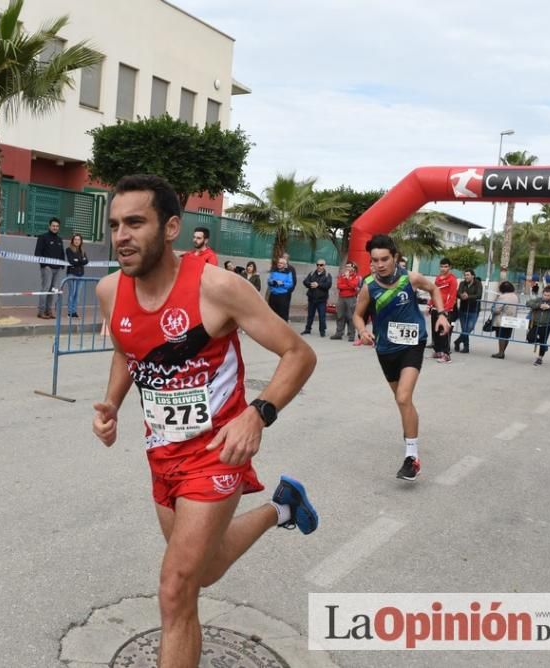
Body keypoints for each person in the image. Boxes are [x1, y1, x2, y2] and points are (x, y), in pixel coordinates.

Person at [92, 174, 318, 667]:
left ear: (171, 226)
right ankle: (281, 508)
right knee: (204, 570)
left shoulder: (217, 288)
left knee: (175, 588)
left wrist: (257, 415)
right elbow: (127, 350)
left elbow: (299, 354)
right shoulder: (110, 291)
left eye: (135, 222)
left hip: (218, 452)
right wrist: (112, 404)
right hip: (162, 452)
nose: (121, 236)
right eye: (114, 225)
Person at [352, 234, 451, 482]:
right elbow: (357, 315)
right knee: (401, 401)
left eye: (385, 259)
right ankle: (410, 436)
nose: (380, 264)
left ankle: (412, 457)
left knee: (403, 396)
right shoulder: (369, 286)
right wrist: (363, 330)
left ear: (395, 257)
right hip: (385, 349)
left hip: (412, 344)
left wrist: (441, 314)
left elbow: (434, 289)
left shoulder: (410, 278)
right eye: (375, 260)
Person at [526, 285, 550, 366]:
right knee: (530, 338)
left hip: (546, 325)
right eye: (545, 295)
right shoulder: (538, 300)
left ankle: (540, 358)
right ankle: (543, 344)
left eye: (548, 295)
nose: (546, 297)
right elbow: (528, 303)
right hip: (535, 324)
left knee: (543, 342)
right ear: (542, 294)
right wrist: (539, 305)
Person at [35, 217, 66, 319]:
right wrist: (45, 265)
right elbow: (37, 253)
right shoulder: (43, 237)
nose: (55, 228)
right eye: (53, 226)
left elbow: (62, 253)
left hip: (57, 269)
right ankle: (41, 311)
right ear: (49, 226)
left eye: (57, 226)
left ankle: (49, 310)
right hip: (47, 268)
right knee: (45, 288)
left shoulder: (59, 240)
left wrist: (62, 264)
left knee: (53, 290)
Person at [429, 258, 457, 363]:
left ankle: (446, 354)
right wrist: (430, 305)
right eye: (441, 266)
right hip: (435, 308)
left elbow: (452, 296)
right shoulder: (438, 278)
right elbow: (434, 292)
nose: (443, 269)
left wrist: (447, 310)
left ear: (449, 267)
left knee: (444, 332)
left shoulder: (452, 280)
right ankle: (438, 352)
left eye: (445, 266)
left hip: (445, 310)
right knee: (435, 331)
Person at [331, 261, 361, 343]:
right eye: (346, 266)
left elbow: (353, 286)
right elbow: (339, 285)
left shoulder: (357, 277)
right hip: (341, 298)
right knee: (340, 315)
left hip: (351, 298)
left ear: (353, 268)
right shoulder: (342, 276)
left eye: (349, 267)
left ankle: (351, 335)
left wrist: (348, 279)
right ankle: (339, 333)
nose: (347, 268)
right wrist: (347, 285)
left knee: (350, 317)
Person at [453, 269, 482, 353]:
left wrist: (468, 296)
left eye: (468, 275)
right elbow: (458, 293)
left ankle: (457, 341)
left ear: (473, 276)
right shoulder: (462, 283)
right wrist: (461, 295)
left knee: (470, 328)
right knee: (464, 329)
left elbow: (479, 295)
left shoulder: (478, 284)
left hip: (474, 310)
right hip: (463, 309)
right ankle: (466, 347)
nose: (466, 277)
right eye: (465, 275)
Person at [301, 259, 332, 337]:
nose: (319, 266)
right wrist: (311, 284)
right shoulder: (312, 273)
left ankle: (322, 331)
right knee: (310, 315)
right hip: (311, 298)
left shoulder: (327, 274)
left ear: (324, 266)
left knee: (322, 316)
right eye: (317, 264)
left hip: (322, 300)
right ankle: (307, 330)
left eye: (321, 265)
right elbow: (305, 282)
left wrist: (318, 285)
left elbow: (328, 285)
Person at [489, 281, 520, 359]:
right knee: (507, 336)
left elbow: (497, 309)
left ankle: (501, 352)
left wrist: (492, 309)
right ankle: (503, 351)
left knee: (501, 336)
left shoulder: (503, 297)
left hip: (503, 318)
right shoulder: (515, 296)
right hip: (512, 319)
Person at [65, 233, 89, 318]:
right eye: (75, 239)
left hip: (81, 274)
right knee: (72, 293)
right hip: (71, 274)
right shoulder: (68, 249)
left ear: (81, 241)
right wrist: (81, 260)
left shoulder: (82, 250)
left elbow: (86, 261)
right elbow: (72, 261)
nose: (77, 241)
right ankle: (70, 312)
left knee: (77, 295)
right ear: (72, 240)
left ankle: (74, 312)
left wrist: (78, 260)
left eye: (78, 239)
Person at [266, 256, 293, 321]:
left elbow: (290, 284)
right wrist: (272, 282)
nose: (279, 264)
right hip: (273, 295)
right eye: (278, 262)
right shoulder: (274, 271)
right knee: (271, 313)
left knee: (282, 315)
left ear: (284, 265)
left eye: (281, 263)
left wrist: (282, 283)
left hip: (282, 297)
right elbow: (269, 280)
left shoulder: (288, 272)